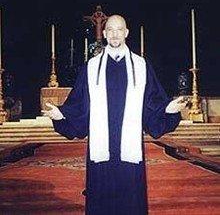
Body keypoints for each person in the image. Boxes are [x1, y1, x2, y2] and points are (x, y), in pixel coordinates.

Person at [42, 15, 188, 215]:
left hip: (130, 150)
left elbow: (152, 102)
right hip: (101, 151)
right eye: (110, 30)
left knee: (131, 200)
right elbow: (79, 104)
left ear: (126, 33)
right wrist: (61, 115)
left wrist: (167, 110)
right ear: (104, 33)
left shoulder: (141, 66)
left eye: (119, 30)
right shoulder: (91, 67)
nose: (115, 34)